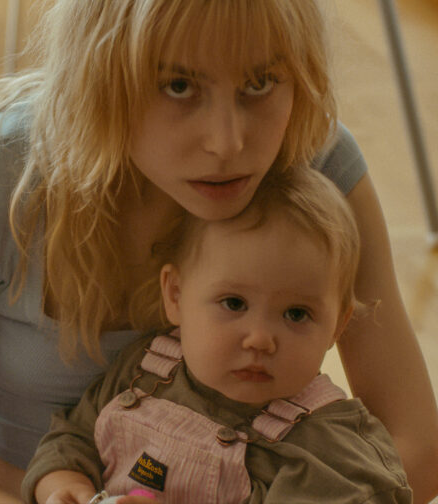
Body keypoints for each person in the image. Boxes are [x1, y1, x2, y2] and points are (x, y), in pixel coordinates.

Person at [0, 0, 438, 503]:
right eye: (179, 86)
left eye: (259, 83)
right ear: (99, 75)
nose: (227, 143)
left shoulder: (317, 164)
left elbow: (415, 451)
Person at [21, 167, 412, 504]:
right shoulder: (145, 369)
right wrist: (65, 486)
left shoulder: (329, 453)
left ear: (337, 326)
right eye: (234, 303)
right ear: (176, 295)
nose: (260, 339)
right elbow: (73, 438)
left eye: (297, 314)